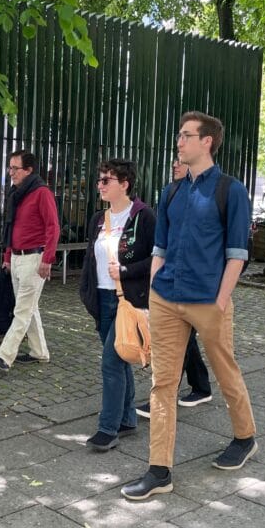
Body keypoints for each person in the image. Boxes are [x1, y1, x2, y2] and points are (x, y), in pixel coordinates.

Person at [121, 111, 257, 501]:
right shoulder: (172, 191)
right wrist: (151, 296)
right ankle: (159, 470)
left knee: (224, 369)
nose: (178, 142)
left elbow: (237, 253)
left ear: (206, 142)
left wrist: (220, 301)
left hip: (208, 301)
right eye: (179, 135)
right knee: (163, 384)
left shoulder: (230, 190)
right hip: (166, 298)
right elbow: (159, 249)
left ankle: (245, 437)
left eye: (186, 136)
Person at [78, 159, 156, 452]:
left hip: (130, 300)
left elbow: (157, 258)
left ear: (124, 184)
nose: (100, 185)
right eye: (99, 180)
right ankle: (127, 418)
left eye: (106, 180)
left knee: (111, 362)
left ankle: (107, 428)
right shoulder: (99, 218)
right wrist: (87, 292)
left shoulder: (144, 216)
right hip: (102, 298)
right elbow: (91, 257)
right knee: (120, 358)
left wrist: (126, 272)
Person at [136, 159, 212, 419]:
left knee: (178, 342)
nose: (175, 167)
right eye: (174, 164)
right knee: (184, 339)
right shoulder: (171, 192)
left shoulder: (209, 194)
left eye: (180, 163)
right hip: (170, 280)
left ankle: (169, 395)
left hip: (193, 282)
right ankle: (201, 386)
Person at [0, 150, 59, 371]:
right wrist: (8, 256)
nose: (11, 172)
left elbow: (53, 227)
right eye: (9, 167)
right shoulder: (17, 194)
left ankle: (5, 355)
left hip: (34, 258)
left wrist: (47, 259)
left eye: (15, 168)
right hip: (18, 257)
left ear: (29, 170)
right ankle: (40, 352)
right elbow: (11, 228)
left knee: (22, 310)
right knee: (29, 308)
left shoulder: (41, 193)